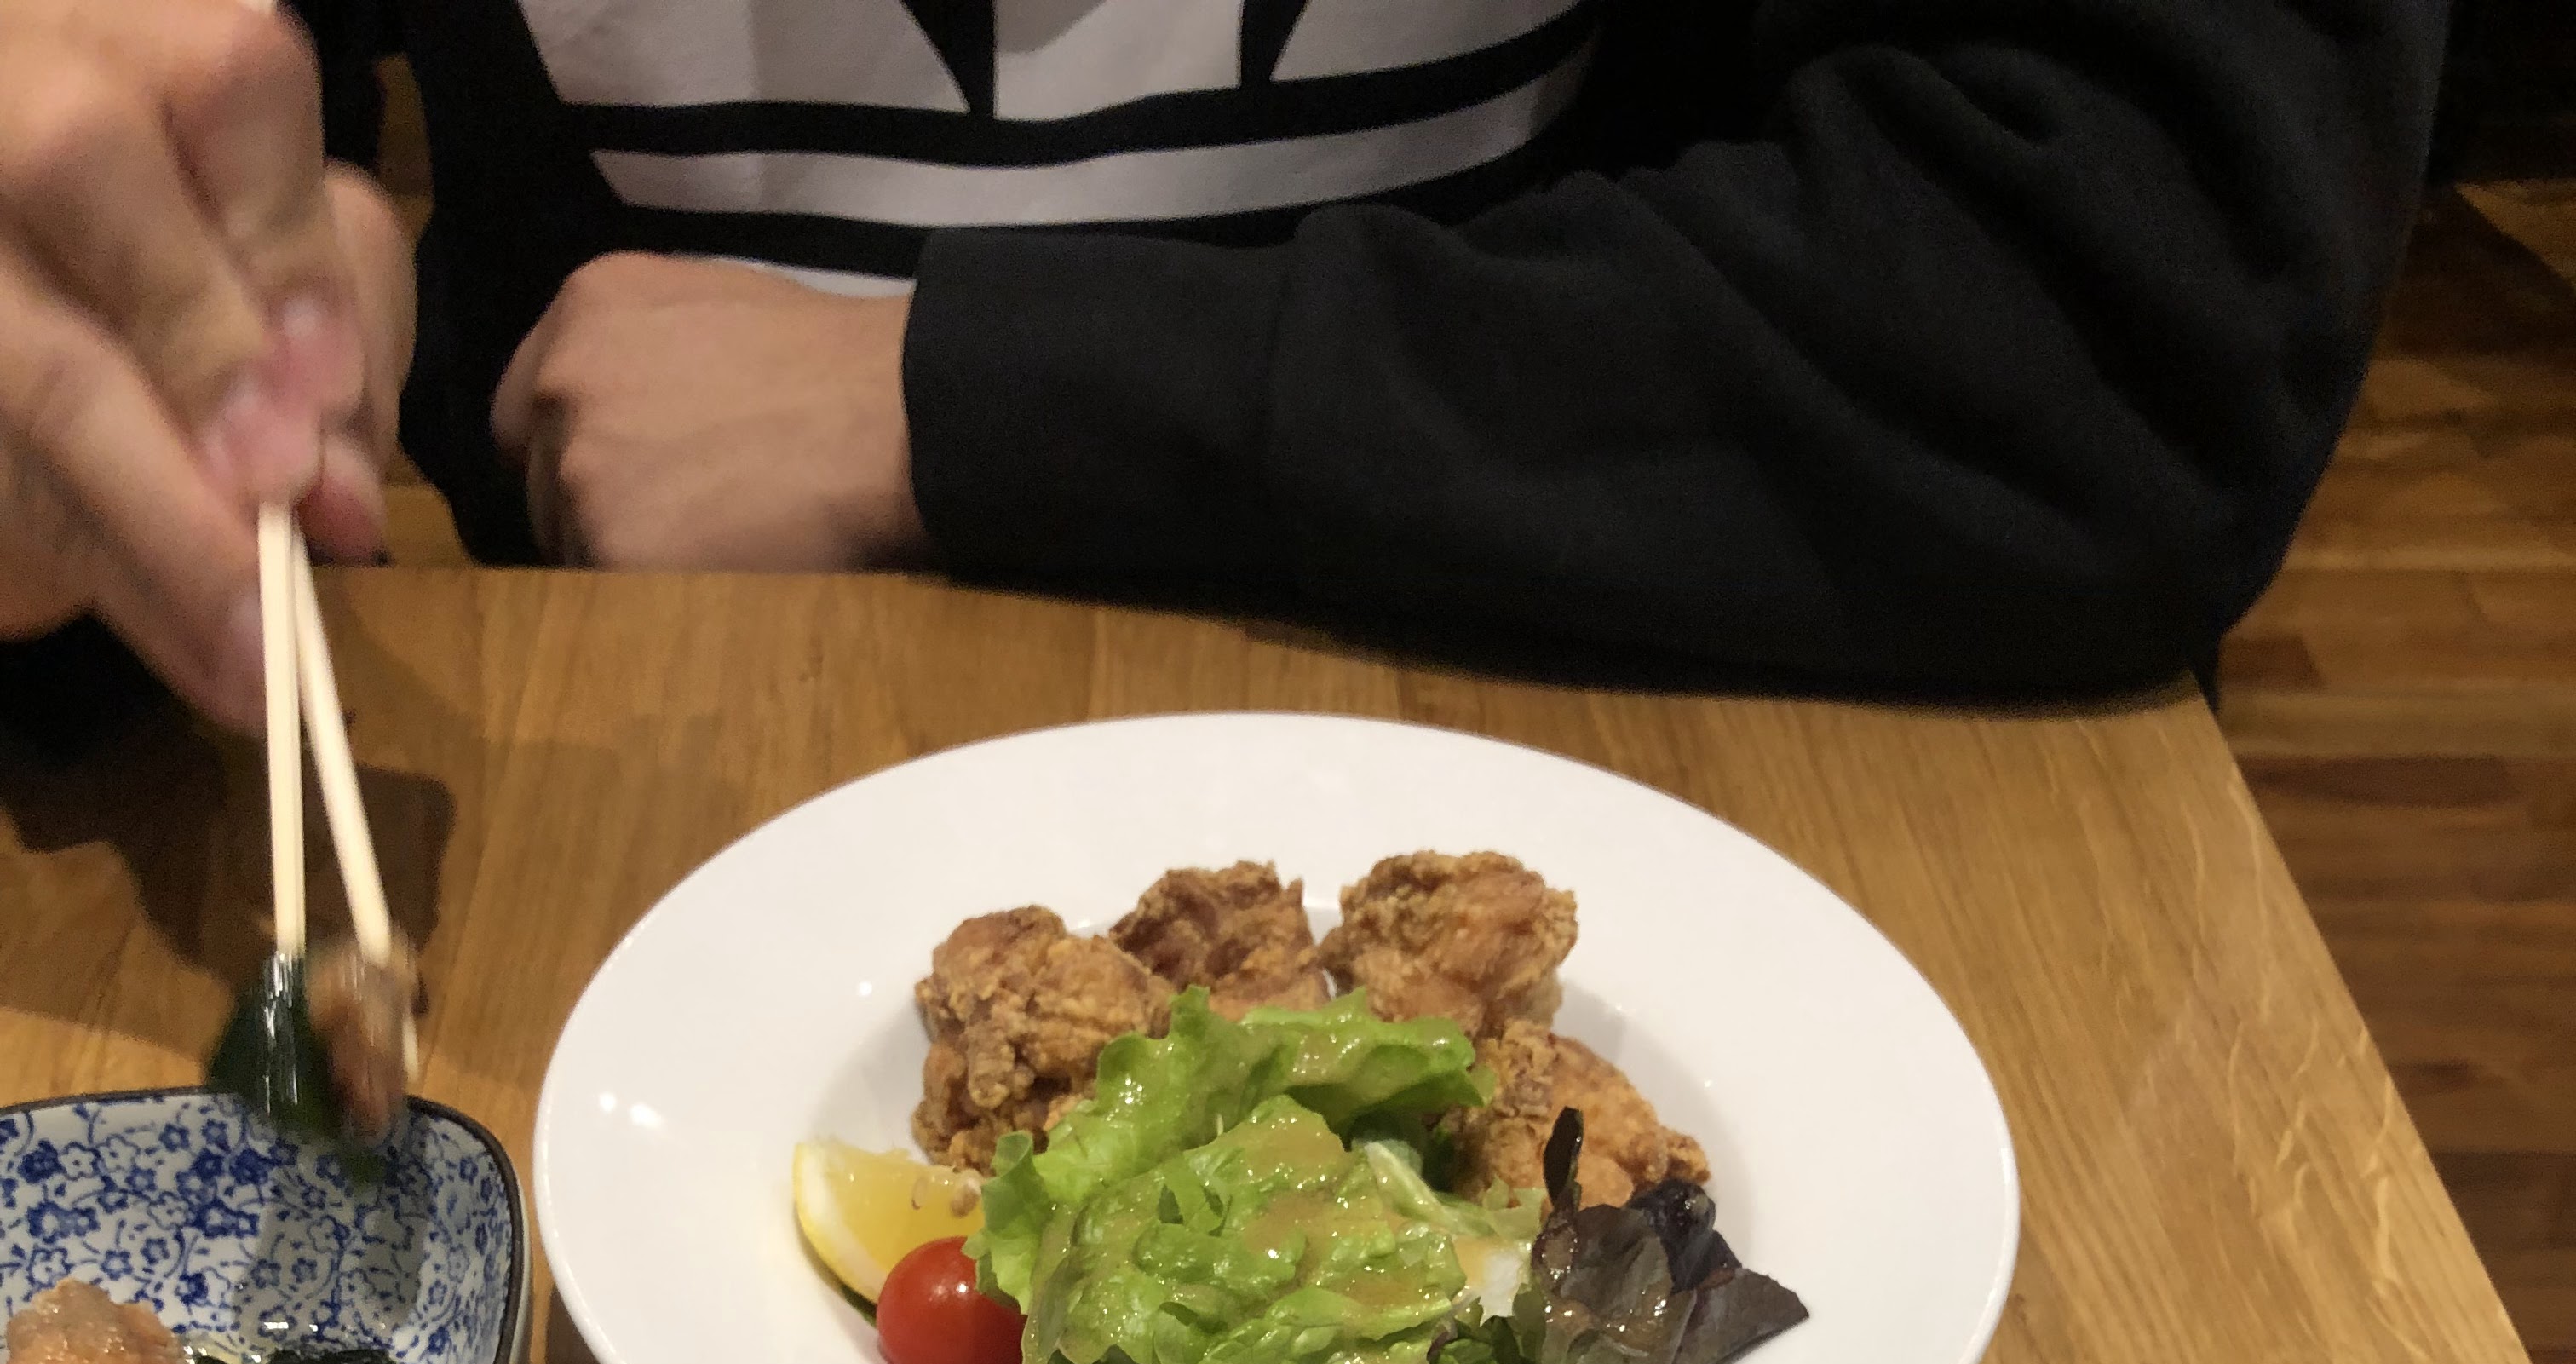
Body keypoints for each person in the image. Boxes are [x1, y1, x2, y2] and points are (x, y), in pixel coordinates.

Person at [0, 0, 2445, 731]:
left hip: (1601, 698)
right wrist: (194, 284)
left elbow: (2123, 302)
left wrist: (959, 399)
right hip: (603, 779)